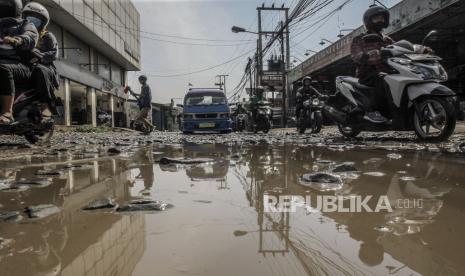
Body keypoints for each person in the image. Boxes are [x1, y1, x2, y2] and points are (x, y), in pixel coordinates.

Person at [351, 5, 394, 123]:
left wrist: (419, 49)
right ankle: (371, 111)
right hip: (367, 72)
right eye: (377, 18)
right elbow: (355, 55)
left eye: (382, 18)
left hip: (388, 70)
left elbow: (398, 48)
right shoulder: (360, 39)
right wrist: (365, 55)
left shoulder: (387, 40)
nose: (380, 21)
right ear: (368, 21)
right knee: (380, 79)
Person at [0, 0, 38, 125]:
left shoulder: (25, 24)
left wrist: (17, 40)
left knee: (2, 68)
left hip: (22, 66)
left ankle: (7, 112)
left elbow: (30, 36)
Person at [22, 2, 59, 119]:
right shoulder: (21, 34)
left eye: (37, 20)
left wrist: (38, 56)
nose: (32, 22)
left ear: (43, 23)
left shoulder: (47, 36)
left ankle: (45, 105)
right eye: (29, 18)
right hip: (25, 65)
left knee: (39, 70)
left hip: (45, 66)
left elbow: (53, 53)